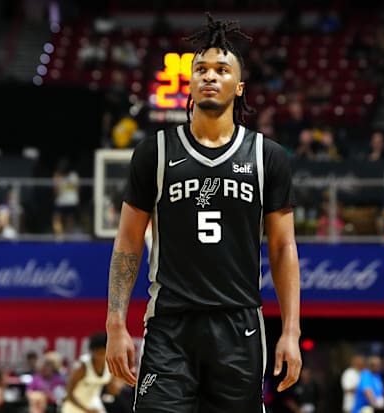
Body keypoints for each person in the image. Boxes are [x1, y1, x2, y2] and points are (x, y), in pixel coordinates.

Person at [104, 13, 302, 413]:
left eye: (222, 69)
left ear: (239, 85)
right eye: (202, 69)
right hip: (169, 326)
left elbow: (283, 248)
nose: (210, 76)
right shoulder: (154, 153)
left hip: (239, 325)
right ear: (191, 82)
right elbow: (127, 243)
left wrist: (291, 330)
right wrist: (115, 323)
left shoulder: (268, 157)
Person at [62, 333, 120, 413]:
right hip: (74, 406)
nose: (102, 357)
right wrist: (86, 410)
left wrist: (115, 388)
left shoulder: (110, 365)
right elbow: (69, 395)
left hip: (93, 404)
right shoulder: (82, 367)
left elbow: (113, 390)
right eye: (99, 353)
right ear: (92, 351)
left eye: (104, 353)